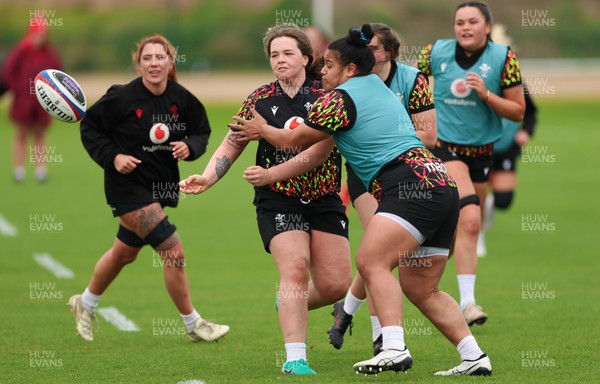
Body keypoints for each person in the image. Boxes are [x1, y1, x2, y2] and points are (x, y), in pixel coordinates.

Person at [230, 24, 492, 377]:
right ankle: (473, 355)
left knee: (371, 262)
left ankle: (394, 348)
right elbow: (316, 150)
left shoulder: (341, 99)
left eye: (328, 65)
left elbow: (295, 140)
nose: (320, 72)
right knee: (422, 287)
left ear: (349, 69)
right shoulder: (375, 85)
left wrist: (262, 131)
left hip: (408, 182)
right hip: (441, 183)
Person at [246, 22, 437, 355]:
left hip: (407, 173)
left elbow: (430, 137)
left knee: (376, 260)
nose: (369, 55)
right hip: (367, 175)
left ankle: (349, 311)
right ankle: (383, 342)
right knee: (376, 258)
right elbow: (314, 147)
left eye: (375, 49)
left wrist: (390, 142)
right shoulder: (342, 92)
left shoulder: (407, 80)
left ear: (388, 53)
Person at [179, 24, 352, 375]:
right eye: (274, 55)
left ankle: (288, 300)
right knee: (295, 269)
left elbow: (318, 151)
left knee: (337, 283)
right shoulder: (261, 98)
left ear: (307, 57)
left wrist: (273, 166)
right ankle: (295, 358)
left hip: (324, 197)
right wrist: (208, 176)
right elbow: (233, 142)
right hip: (277, 200)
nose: (280, 60)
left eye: (288, 53)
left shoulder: (328, 96)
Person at [68, 34, 229, 344]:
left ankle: (84, 304)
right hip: (126, 189)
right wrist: (113, 157)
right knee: (173, 251)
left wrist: (189, 147)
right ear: (137, 63)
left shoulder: (182, 98)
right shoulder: (121, 98)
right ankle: (194, 323)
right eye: (147, 58)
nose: (154, 63)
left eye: (160, 57)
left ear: (170, 62)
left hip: (159, 189)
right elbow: (90, 127)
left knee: (123, 254)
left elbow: (201, 131)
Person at [417, 1, 525, 325]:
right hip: (445, 148)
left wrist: (487, 96)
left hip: (482, 152)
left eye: (472, 22)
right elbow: (409, 86)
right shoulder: (433, 52)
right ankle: (469, 304)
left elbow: (518, 111)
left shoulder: (504, 58)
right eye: (460, 22)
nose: (465, 27)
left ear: (487, 27)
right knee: (470, 218)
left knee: (463, 229)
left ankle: (404, 284)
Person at [478, 26, 538, 256]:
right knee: (477, 196)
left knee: (503, 200)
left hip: (506, 148)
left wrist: (526, 133)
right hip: (479, 147)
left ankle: (489, 208)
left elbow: (531, 112)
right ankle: (478, 236)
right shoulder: (475, 82)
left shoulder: (516, 85)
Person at [2, 16, 63, 183]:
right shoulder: (21, 51)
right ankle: (19, 170)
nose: (40, 38)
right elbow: (8, 71)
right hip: (23, 101)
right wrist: (18, 89)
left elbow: (58, 75)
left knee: (39, 134)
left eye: (43, 34)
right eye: (37, 34)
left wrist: (53, 95)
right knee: (21, 134)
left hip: (42, 102)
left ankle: (41, 170)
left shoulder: (50, 53)